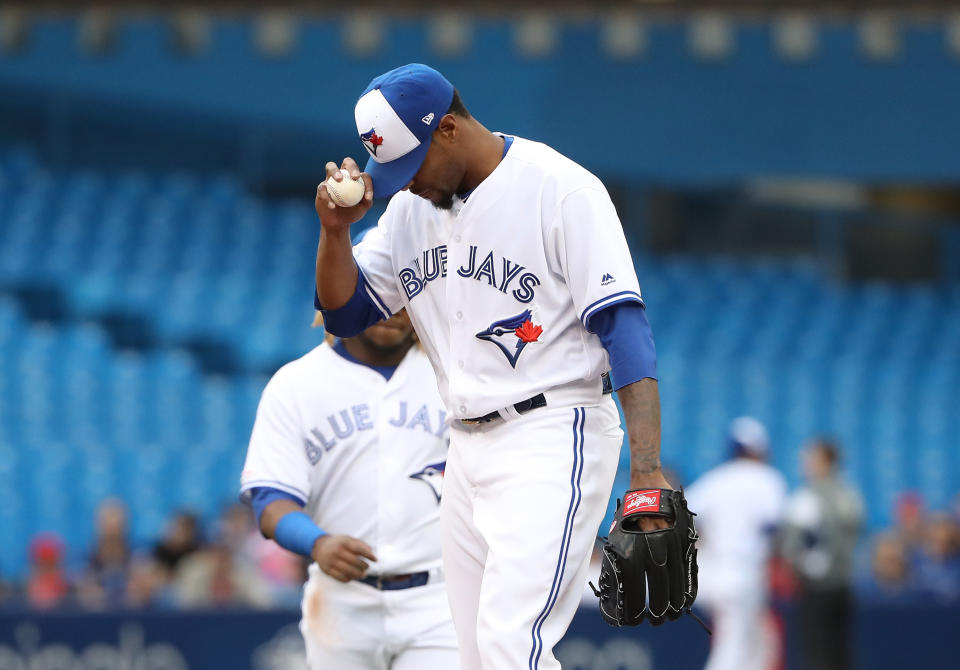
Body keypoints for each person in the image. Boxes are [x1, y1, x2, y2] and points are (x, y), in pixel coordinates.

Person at [313, 63, 675, 670]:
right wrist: (334, 233)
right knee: (476, 656)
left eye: (412, 165)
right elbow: (345, 315)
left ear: (449, 129)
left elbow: (625, 330)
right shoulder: (409, 211)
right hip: (465, 448)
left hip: (551, 431)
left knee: (512, 646)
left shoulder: (561, 189)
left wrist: (646, 473)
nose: (404, 185)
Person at [239, 310, 458, 669]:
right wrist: (317, 542)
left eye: (399, 296)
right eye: (373, 294)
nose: (389, 309)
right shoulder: (295, 384)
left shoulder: (455, 372)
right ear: (342, 298)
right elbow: (270, 500)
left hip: (441, 599)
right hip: (341, 602)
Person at [684, 417, 787, 670]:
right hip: (745, 572)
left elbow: (681, 515)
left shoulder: (717, 479)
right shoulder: (767, 478)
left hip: (714, 570)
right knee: (734, 648)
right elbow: (776, 525)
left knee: (750, 645)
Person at [780, 438, 863, 670]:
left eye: (811, 459)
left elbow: (791, 547)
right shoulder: (849, 495)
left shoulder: (806, 497)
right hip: (843, 583)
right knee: (840, 651)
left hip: (815, 586)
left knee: (818, 652)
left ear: (825, 461)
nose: (805, 464)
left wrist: (799, 567)